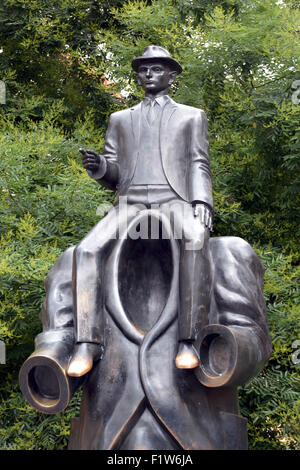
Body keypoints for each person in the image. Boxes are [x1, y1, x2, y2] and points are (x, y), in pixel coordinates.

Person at [67, 45, 214, 377]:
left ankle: (188, 341)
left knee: (194, 239)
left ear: (172, 76)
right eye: (143, 70)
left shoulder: (191, 116)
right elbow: (114, 172)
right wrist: (100, 167)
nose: (149, 74)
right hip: (130, 202)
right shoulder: (120, 119)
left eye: (157, 69)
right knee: (87, 250)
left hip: (173, 200)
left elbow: (198, 163)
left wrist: (202, 202)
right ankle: (87, 345)